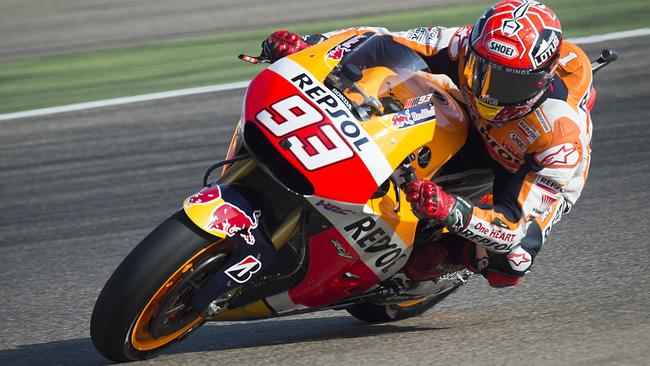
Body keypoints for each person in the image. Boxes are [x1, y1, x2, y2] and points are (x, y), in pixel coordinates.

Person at [260, 0, 594, 287]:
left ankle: (449, 258)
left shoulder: (560, 137)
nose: (487, 91)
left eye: (505, 83)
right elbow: (382, 41)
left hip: (521, 167)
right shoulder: (464, 43)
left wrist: (451, 210)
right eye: (481, 70)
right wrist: (311, 45)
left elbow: (514, 228)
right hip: (471, 125)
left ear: (541, 80)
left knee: (511, 263)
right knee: (389, 85)